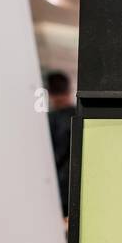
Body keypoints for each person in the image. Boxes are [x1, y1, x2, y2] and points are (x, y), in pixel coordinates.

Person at [45, 71, 76, 216]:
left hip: (56, 190)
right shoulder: (80, 116)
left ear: (50, 93)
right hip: (77, 188)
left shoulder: (49, 120)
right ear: (69, 91)